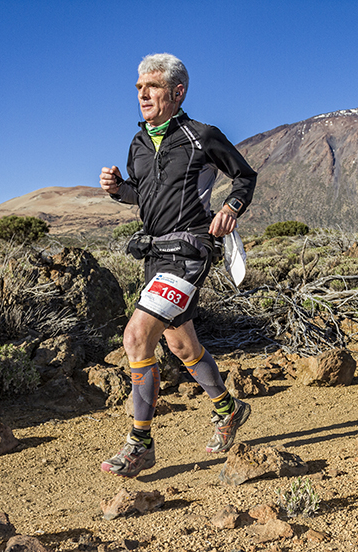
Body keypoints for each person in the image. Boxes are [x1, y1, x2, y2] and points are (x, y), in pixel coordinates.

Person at [98, 53, 257, 478]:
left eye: (151, 87)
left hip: (189, 254)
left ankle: (140, 444)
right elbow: (143, 197)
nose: (142, 94)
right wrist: (118, 190)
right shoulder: (137, 144)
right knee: (181, 346)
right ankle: (229, 409)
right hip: (154, 255)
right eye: (138, 87)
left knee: (136, 337)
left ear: (177, 92)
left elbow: (245, 176)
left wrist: (231, 207)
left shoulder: (201, 136)